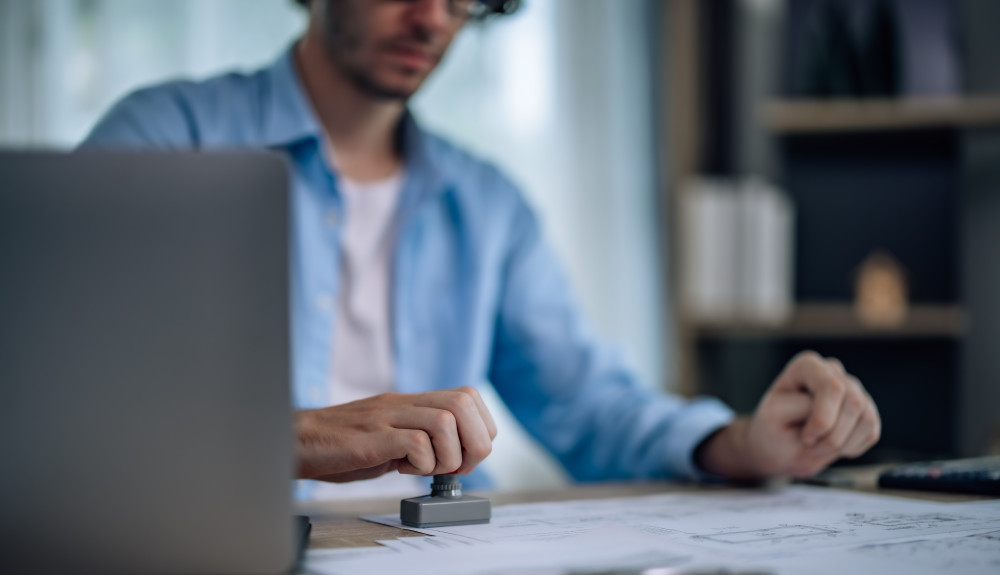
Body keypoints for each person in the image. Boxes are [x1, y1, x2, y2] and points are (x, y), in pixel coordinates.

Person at [82, 0, 880, 492]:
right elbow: (65, 398)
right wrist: (303, 434)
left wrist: (739, 443)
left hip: (445, 573)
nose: (434, 17)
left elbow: (585, 404)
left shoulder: (489, 203)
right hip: (233, 567)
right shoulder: (164, 140)